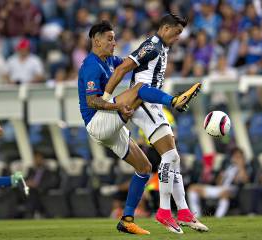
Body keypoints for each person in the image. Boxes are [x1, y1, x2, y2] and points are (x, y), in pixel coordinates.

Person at [78, 21, 200, 235]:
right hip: (98, 121)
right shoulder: (90, 65)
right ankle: (174, 101)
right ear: (96, 41)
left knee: (144, 169)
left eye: (114, 38)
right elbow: (91, 101)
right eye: (109, 39)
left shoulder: (109, 61)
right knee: (140, 89)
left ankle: (126, 220)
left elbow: (127, 64)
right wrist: (118, 105)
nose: (114, 43)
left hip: (111, 125)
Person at [187, 147, 250, 218]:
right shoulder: (228, 166)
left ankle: (218, 218)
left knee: (225, 194)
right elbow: (218, 183)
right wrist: (221, 176)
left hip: (232, 190)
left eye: (239, 157)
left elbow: (245, 181)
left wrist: (241, 166)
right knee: (192, 188)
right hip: (220, 188)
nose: (236, 158)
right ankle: (196, 216)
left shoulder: (245, 167)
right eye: (235, 156)